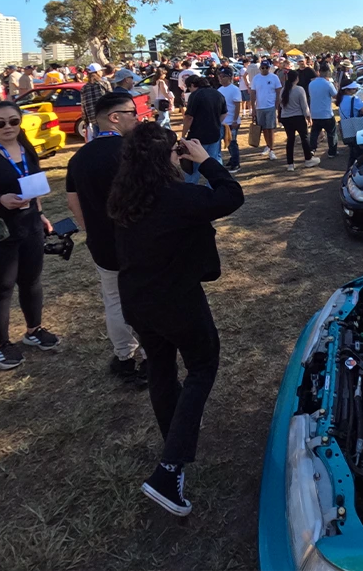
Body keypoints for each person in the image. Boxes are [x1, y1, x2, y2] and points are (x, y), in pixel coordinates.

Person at [107, 124, 244, 518]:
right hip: (176, 302)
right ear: (168, 157)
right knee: (202, 366)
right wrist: (205, 161)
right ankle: (168, 470)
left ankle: (174, 445)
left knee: (162, 370)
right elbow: (231, 196)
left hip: (137, 299)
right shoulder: (179, 197)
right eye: (174, 153)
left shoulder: (125, 195)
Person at [0, 101, 59, 370]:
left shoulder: (28, 151)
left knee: (31, 282)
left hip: (29, 228)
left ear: (20, 122)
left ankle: (34, 330)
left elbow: (33, 188)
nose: (8, 127)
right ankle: (0, 345)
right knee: (2, 289)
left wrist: (39, 214)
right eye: (0, 123)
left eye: (13, 121)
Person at [65, 93, 147, 386]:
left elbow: (72, 202)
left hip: (103, 245)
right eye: (132, 113)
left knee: (114, 300)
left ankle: (124, 357)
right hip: (139, 242)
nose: (136, 118)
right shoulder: (133, 151)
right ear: (115, 117)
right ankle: (151, 358)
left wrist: (91, 229)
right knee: (144, 299)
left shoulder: (79, 157)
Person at [182, 75, 227, 168]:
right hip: (214, 134)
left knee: (195, 167)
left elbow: (189, 117)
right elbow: (224, 113)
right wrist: (215, 123)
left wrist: (183, 135)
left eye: (189, 88)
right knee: (214, 164)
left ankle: (192, 183)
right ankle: (214, 183)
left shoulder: (195, 95)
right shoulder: (218, 94)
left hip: (198, 136)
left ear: (192, 85)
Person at [278, 70, 319, 172]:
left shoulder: (283, 90)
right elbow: (304, 106)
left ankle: (290, 163)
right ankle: (308, 159)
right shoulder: (299, 89)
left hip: (286, 117)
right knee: (304, 138)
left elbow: (281, 105)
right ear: (297, 78)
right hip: (298, 117)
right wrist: (308, 117)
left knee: (290, 140)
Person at [251, 61, 282, 160]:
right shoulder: (256, 78)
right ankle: (268, 146)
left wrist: (277, 104)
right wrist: (253, 108)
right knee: (264, 128)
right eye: (263, 67)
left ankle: (272, 150)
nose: (265, 69)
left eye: (266, 67)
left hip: (270, 106)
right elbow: (253, 93)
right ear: (260, 68)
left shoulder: (274, 77)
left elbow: (278, 91)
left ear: (269, 68)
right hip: (260, 107)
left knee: (271, 128)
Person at [337, 82, 363, 169]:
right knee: (359, 153)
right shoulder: (354, 99)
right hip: (357, 128)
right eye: (354, 89)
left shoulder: (341, 99)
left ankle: (351, 170)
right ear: (347, 90)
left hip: (347, 129)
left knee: (353, 153)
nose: (356, 90)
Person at [308, 64, 339, 159]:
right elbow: (335, 95)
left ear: (319, 72)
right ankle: (332, 151)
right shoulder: (328, 84)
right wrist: (336, 86)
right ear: (327, 73)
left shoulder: (311, 83)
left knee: (314, 133)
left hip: (315, 112)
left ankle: (312, 149)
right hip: (326, 113)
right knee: (331, 133)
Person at [216, 67, 243, 173]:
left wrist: (235, 120)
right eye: (219, 76)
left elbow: (237, 105)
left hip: (232, 121)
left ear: (229, 77)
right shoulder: (219, 90)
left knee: (232, 142)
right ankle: (232, 160)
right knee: (227, 142)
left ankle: (236, 163)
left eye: (223, 76)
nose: (221, 79)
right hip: (223, 121)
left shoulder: (234, 89)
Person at [80, 63, 111, 142]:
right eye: (100, 70)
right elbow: (112, 100)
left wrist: (86, 121)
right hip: (106, 117)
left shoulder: (84, 88)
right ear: (97, 72)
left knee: (98, 141)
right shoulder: (104, 84)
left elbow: (83, 106)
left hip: (93, 119)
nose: (102, 72)